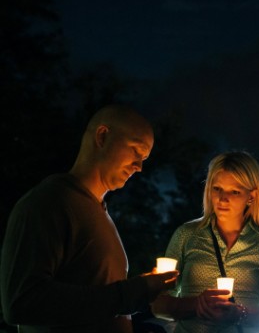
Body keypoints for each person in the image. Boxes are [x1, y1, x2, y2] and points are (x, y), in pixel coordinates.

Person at [0, 105, 178, 333]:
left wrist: (142, 289)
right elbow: (21, 303)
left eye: (144, 158)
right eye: (136, 150)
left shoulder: (98, 210)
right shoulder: (48, 202)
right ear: (102, 136)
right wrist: (134, 292)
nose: (139, 167)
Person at [151, 151, 259, 333]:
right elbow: (159, 306)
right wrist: (196, 304)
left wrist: (238, 314)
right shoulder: (187, 235)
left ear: (252, 196)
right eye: (217, 188)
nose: (223, 198)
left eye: (234, 191)